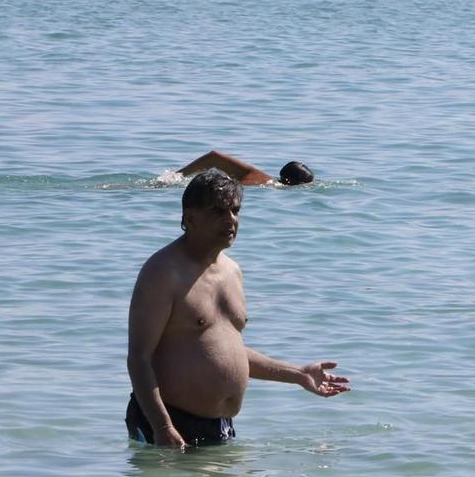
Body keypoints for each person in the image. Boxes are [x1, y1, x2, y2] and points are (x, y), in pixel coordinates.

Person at [125, 171, 349, 449]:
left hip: (220, 426)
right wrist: (162, 426)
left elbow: (221, 349)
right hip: (169, 424)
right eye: (218, 211)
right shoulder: (162, 273)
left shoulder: (233, 272)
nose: (230, 219)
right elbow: (139, 358)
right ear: (189, 218)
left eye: (235, 210)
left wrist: (298, 373)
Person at [177, 151, 313, 187]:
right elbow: (214, 156)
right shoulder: (259, 178)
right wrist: (174, 178)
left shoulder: (256, 175)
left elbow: (213, 157)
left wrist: (176, 176)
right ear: (290, 181)